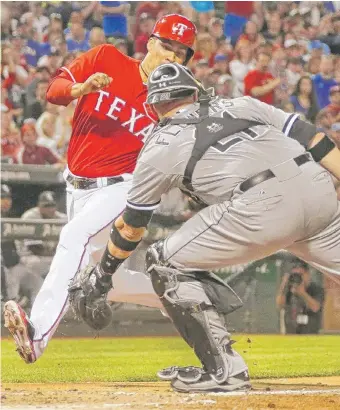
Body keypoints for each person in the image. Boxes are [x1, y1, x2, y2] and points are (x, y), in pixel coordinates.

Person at [70, 63, 340, 393]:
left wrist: (103, 275)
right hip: (318, 187)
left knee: (163, 261)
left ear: (152, 106)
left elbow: (132, 226)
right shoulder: (242, 103)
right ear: (196, 92)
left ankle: (224, 369)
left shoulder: (158, 145)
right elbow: (314, 138)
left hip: (261, 205)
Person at [3, 14, 197, 365]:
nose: (170, 56)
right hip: (77, 186)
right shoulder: (107, 58)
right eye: (166, 45)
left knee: (74, 236)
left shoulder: (170, 104)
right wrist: (80, 89)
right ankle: (187, 295)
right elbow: (55, 90)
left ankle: (36, 335)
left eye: (180, 53)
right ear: (150, 42)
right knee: (107, 280)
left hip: (123, 188)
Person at [1, 184, 43, 310]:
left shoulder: (8, 218)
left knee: (37, 283)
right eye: (2, 197)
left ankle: (38, 317)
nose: (6, 201)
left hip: (13, 267)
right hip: (4, 270)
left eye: (8, 198)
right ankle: (9, 302)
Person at [276, 260, 325, 334]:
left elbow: (315, 307)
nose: (297, 277)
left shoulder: (316, 289)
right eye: (295, 275)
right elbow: (280, 304)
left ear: (308, 274)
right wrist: (284, 285)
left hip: (310, 334)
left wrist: (303, 293)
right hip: (291, 333)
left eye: (300, 274)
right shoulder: (288, 289)